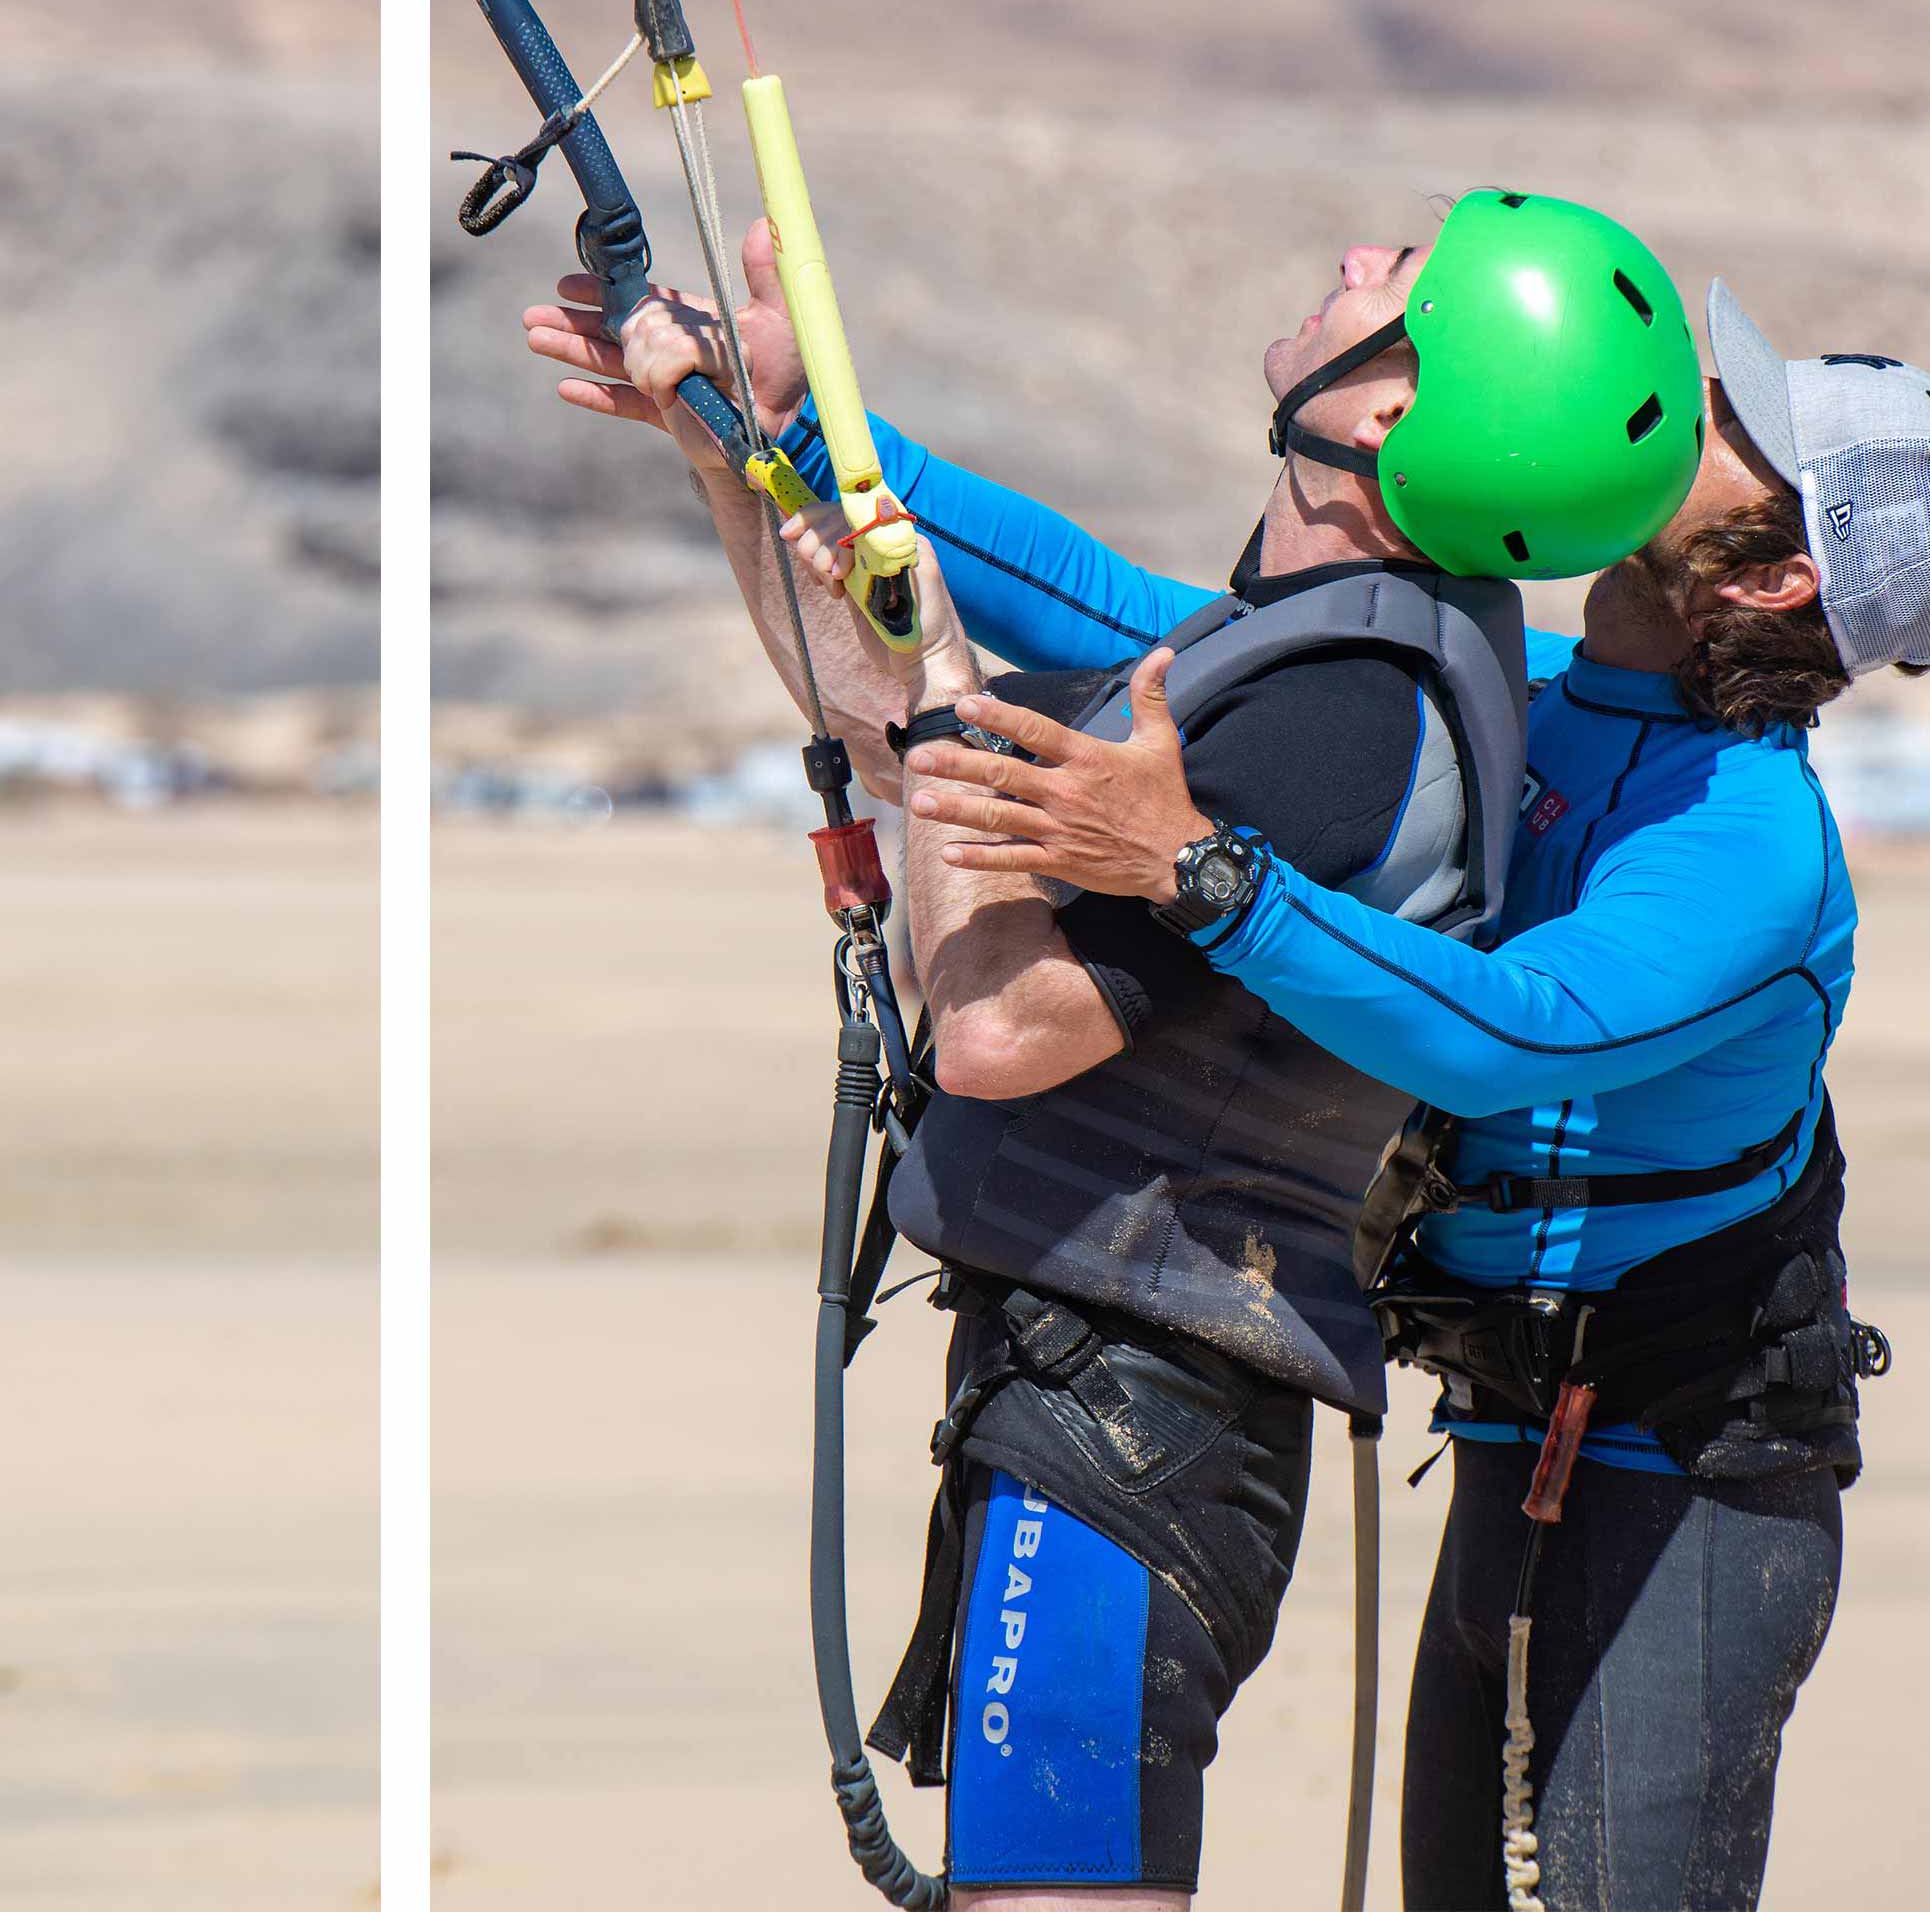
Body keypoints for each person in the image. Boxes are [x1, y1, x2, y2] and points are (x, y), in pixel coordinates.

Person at [525, 192, 1702, 1907]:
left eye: (1404, 283)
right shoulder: (1304, 637)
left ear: (1390, 412)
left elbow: (997, 1024)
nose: (1362, 259)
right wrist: (740, 450)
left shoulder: (1342, 709)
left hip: (1138, 1412)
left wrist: (932, 677)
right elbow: (883, 724)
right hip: (1102, 1388)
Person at [866, 286, 1930, 1912]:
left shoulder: (1754, 842)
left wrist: (1206, 879)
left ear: (1776, 571)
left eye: (1741, 429)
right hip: (1517, 1433)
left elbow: (1517, 1033)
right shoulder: (1555, 687)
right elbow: (1127, 613)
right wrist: (808, 438)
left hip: (1688, 1486)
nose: (1689, 397)